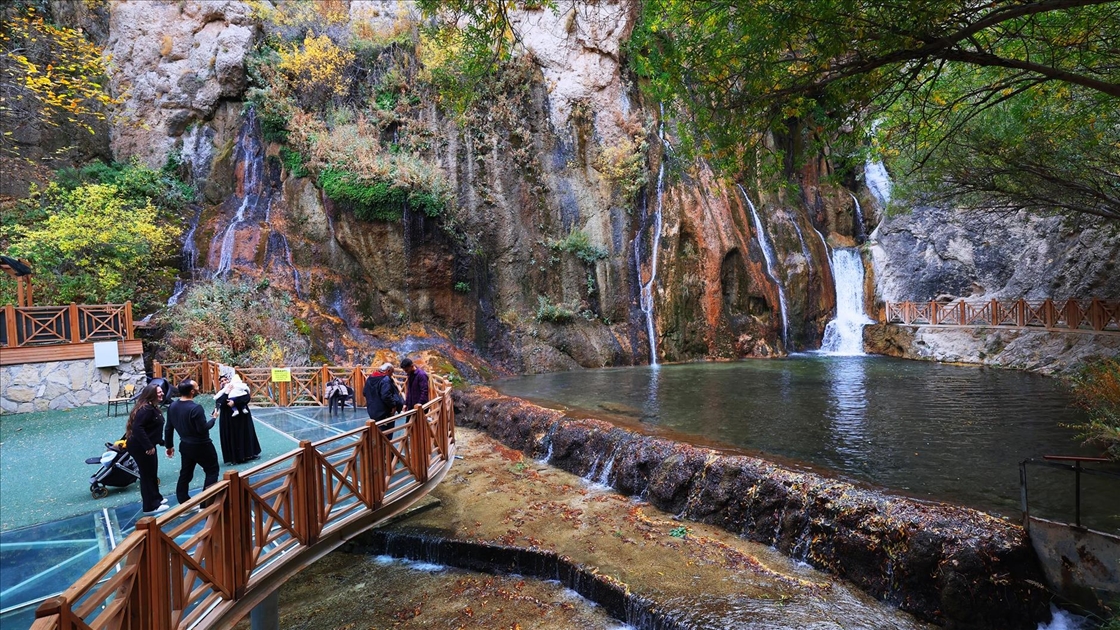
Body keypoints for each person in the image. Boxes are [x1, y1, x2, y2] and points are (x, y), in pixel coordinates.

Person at [164, 379, 219, 507]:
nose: (198, 386)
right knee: (212, 471)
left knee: (186, 473)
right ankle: (206, 504)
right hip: (202, 445)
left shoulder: (172, 406)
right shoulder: (196, 408)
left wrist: (169, 446)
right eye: (196, 386)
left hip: (185, 445)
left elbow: (168, 428)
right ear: (192, 391)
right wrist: (214, 418)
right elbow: (202, 429)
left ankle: (184, 502)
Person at [124, 384, 168, 515]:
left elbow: (152, 428)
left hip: (146, 445)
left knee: (152, 473)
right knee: (147, 475)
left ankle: (156, 498)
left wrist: (160, 442)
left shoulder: (152, 407)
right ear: (151, 394)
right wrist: (148, 446)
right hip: (141, 447)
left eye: (161, 392)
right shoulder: (146, 409)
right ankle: (150, 506)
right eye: (159, 392)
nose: (162, 394)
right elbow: (138, 428)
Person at [214, 374, 262, 464]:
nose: (224, 382)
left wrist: (234, 401)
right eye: (222, 381)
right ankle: (235, 458)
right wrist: (226, 393)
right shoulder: (221, 392)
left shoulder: (239, 388)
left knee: (246, 433)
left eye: (225, 380)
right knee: (233, 436)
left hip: (243, 416)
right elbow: (220, 402)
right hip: (230, 418)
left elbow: (247, 397)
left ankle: (250, 454)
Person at [363, 362, 403, 429]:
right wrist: (393, 406)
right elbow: (386, 396)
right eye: (392, 373)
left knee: (376, 431)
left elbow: (364, 392)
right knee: (387, 433)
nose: (391, 375)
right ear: (388, 371)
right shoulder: (385, 379)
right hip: (384, 412)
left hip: (372, 411)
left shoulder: (370, 378)